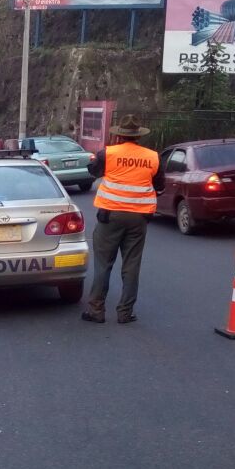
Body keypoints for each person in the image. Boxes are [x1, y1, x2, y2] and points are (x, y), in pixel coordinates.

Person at [82, 114, 165, 325]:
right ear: (138, 137)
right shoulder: (152, 157)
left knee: (103, 264)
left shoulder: (107, 153)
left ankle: (96, 310)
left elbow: (92, 173)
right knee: (131, 265)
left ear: (119, 136)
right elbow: (160, 186)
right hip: (139, 218)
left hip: (110, 216)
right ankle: (125, 313)